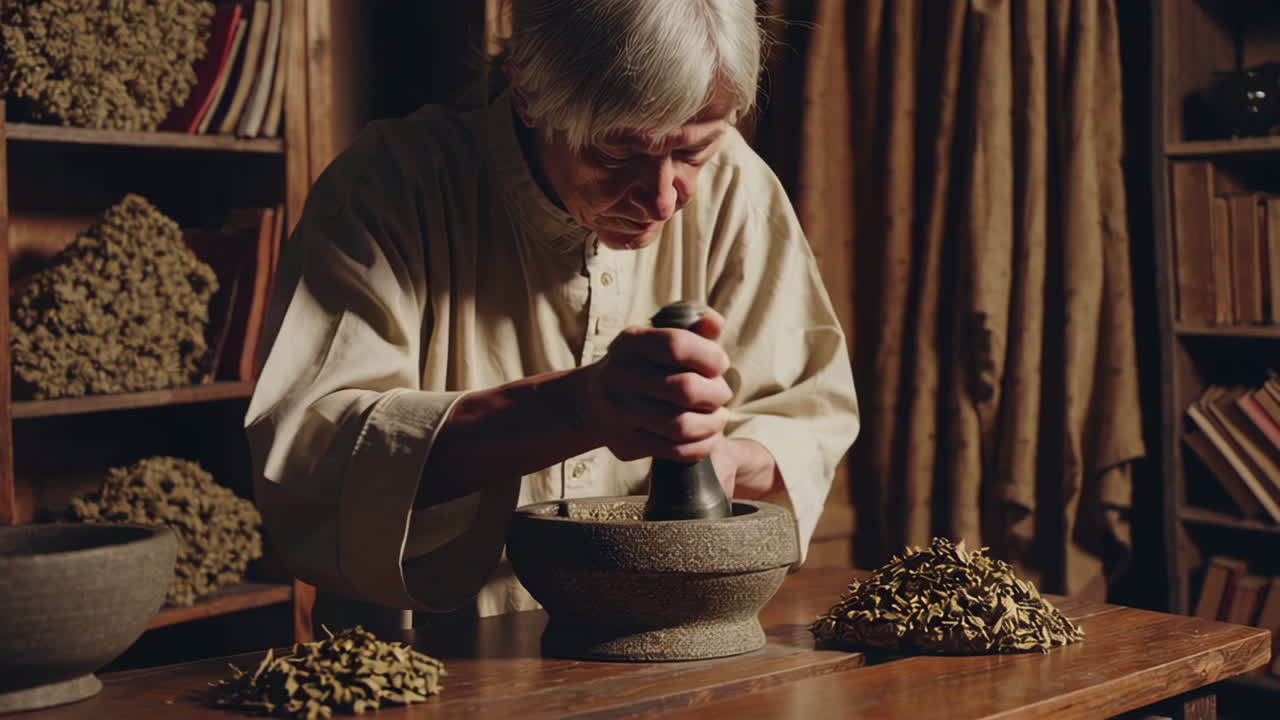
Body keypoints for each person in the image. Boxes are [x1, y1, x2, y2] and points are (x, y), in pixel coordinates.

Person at [246, 0, 859, 622]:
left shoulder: (738, 187)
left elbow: (808, 417)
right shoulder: (390, 185)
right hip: (434, 656)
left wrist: (722, 457)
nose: (662, 197)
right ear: (527, 95)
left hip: (660, 639)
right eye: (617, 154)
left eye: (693, 153)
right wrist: (577, 409)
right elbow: (310, 455)